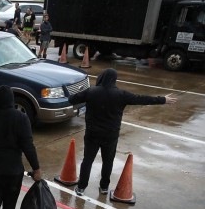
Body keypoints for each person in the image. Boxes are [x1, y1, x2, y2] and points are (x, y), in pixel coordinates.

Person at [68, 68, 177, 196]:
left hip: (93, 133)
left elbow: (72, 99)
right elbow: (141, 99)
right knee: (108, 161)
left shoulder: (91, 92)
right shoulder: (121, 94)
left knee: (87, 160)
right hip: (111, 135)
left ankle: (81, 187)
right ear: (115, 80)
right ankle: (104, 187)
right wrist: (162, 99)